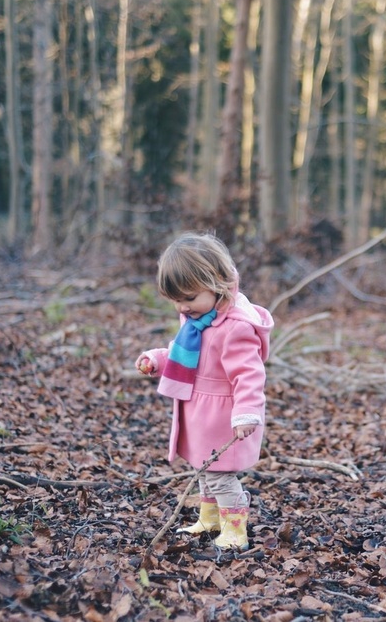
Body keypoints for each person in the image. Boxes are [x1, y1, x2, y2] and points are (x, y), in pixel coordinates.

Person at [136, 232, 273, 549]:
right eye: (176, 299)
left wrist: (246, 414)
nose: (182, 306)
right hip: (199, 411)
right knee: (204, 470)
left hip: (223, 416)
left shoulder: (236, 327)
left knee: (221, 476)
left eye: (189, 297)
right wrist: (157, 360)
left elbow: (249, 375)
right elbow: (186, 354)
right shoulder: (198, 319)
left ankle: (235, 531)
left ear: (219, 284)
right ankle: (209, 519)